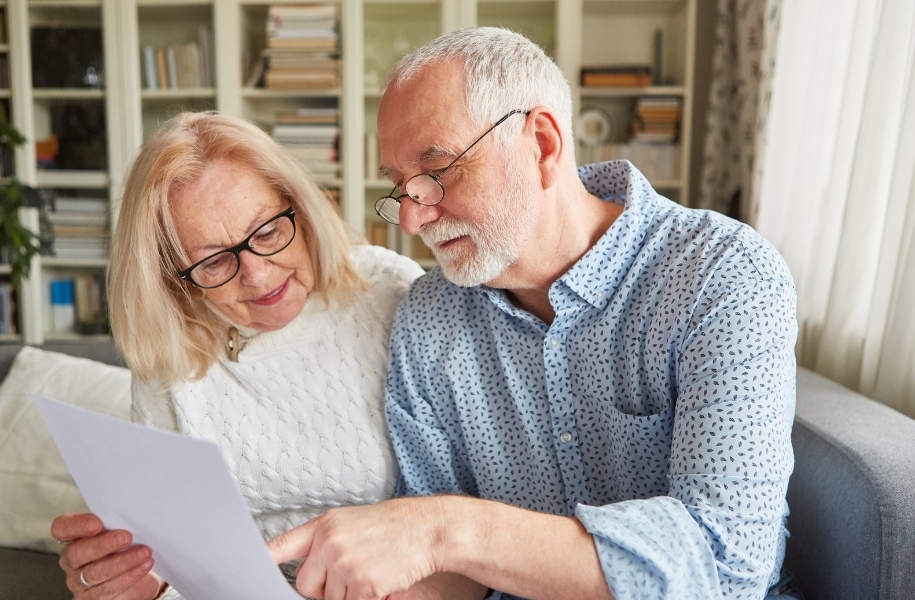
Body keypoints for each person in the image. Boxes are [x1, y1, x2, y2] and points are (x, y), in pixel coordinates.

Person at [269, 27, 799, 600]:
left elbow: (725, 566)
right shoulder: (428, 319)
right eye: (401, 187)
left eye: (437, 173)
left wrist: (446, 530)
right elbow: (447, 577)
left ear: (542, 144)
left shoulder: (721, 276)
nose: (413, 222)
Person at [49, 111, 424, 599]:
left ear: (301, 208)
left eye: (266, 232)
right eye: (214, 260)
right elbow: (175, 559)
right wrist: (145, 587)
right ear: (171, 276)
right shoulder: (172, 353)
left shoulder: (391, 295)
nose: (258, 275)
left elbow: (454, 508)